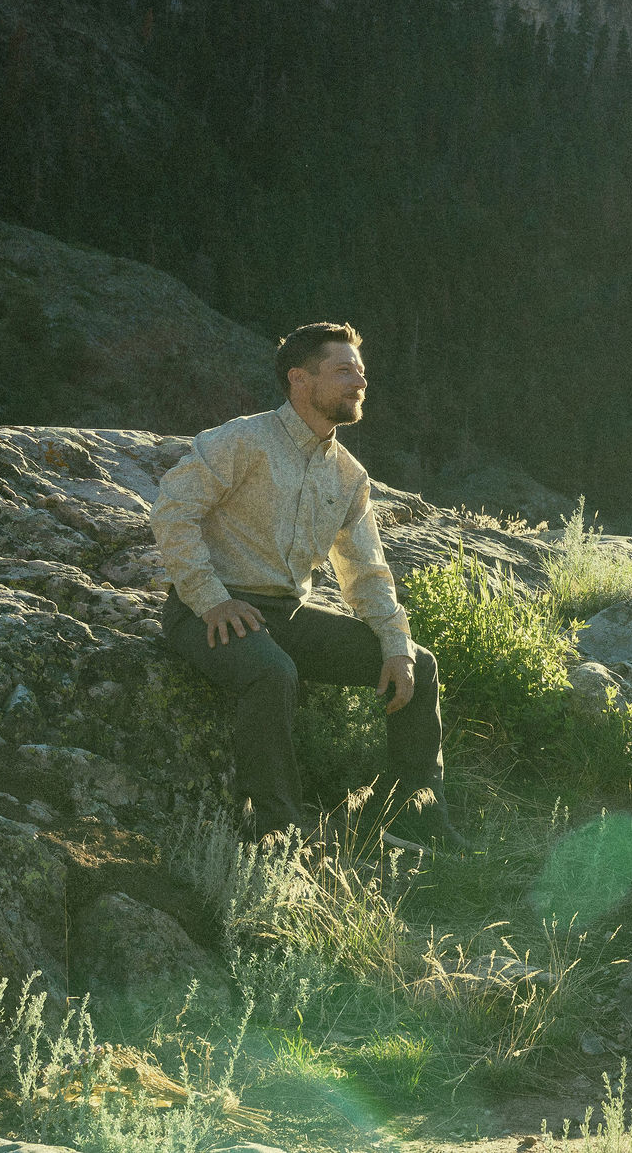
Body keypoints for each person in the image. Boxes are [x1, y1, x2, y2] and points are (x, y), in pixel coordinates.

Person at [151, 321, 462, 850]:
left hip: (285, 616)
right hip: (207, 611)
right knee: (272, 674)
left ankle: (416, 812)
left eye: (361, 373)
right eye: (343, 371)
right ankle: (278, 829)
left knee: (419, 663)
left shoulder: (349, 474)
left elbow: (365, 572)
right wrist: (211, 599)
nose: (358, 382)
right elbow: (172, 512)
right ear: (300, 378)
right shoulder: (241, 440)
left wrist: (394, 644)